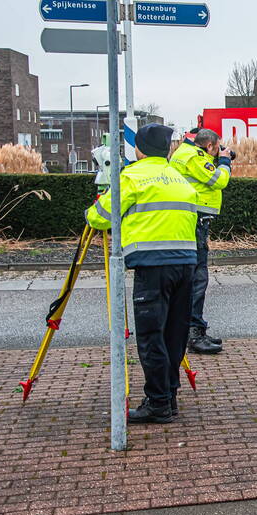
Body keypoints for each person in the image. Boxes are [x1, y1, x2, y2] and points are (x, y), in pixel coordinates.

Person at [85, 124, 198, 424]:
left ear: (141, 148)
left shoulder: (133, 176)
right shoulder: (180, 178)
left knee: (151, 336)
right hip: (186, 264)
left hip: (153, 266)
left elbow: (100, 217)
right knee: (175, 335)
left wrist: (90, 211)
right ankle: (169, 397)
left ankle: (158, 403)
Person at [170, 128, 231, 354]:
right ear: (210, 146)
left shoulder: (183, 154)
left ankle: (192, 329)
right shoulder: (194, 157)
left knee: (192, 277)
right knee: (198, 278)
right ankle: (194, 332)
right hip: (194, 221)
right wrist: (224, 161)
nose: (217, 152)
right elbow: (219, 180)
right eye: (217, 148)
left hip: (189, 220)